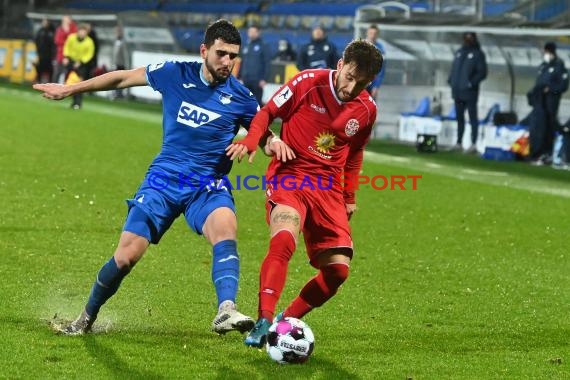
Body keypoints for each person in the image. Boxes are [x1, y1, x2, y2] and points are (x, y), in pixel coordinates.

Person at [33, 19, 283, 336]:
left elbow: (262, 134)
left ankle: (226, 309)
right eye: (221, 54)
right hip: (163, 181)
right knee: (125, 257)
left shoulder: (242, 97)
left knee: (226, 229)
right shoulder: (174, 73)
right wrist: (71, 88)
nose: (227, 62)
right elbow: (123, 77)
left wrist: (273, 143)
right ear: (204, 50)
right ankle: (85, 318)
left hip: (207, 185)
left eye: (233, 56)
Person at [226, 39, 383, 347]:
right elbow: (267, 112)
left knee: (337, 271)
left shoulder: (367, 110)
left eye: (361, 83)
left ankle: (285, 320)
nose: (352, 87)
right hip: (291, 177)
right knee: (284, 238)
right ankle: (264, 320)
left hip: (327, 190)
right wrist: (253, 139)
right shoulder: (307, 81)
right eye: (350, 76)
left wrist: (349, 196)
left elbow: (355, 154)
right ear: (340, 65)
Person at [527, 42, 569, 165]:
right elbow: (538, 84)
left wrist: (550, 89)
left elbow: (563, 86)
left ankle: (547, 154)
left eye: (546, 52)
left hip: (551, 104)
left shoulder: (559, 66)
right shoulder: (543, 66)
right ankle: (536, 153)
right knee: (537, 129)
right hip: (539, 104)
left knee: (548, 129)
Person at [447, 32, 487, 153]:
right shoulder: (459, 52)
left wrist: (471, 83)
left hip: (470, 92)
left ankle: (473, 143)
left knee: (472, 117)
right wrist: (451, 80)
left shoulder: (478, 54)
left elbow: (482, 72)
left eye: (470, 38)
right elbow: (454, 68)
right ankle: (459, 142)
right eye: (466, 38)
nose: (467, 40)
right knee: (459, 118)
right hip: (457, 91)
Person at [62, 23, 95, 109]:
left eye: (84, 32)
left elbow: (89, 54)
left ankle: (78, 103)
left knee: (79, 84)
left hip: (81, 65)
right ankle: (72, 101)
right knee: (69, 82)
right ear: (78, 31)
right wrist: (66, 57)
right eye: (81, 31)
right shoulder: (71, 37)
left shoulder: (89, 42)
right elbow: (66, 47)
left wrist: (81, 62)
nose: (82, 33)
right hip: (71, 62)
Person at [238, 25, 271, 105]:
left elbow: (267, 63)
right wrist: (239, 76)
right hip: (246, 79)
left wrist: (264, 79)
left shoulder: (264, 45)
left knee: (257, 103)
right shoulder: (246, 46)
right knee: (245, 102)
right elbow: (242, 62)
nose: (251, 34)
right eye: (249, 32)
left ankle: (258, 118)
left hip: (257, 80)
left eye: (253, 32)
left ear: (258, 33)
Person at [52, 15, 77, 83]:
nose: (65, 21)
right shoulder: (59, 29)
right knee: (57, 72)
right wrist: (67, 41)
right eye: (64, 20)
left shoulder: (74, 28)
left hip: (71, 54)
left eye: (67, 19)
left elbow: (74, 40)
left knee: (68, 73)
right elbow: (57, 41)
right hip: (60, 54)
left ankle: (67, 88)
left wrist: (66, 41)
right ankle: (54, 87)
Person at [364, 25, 386, 99]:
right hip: (360, 82)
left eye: (375, 33)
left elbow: (382, 69)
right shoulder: (360, 46)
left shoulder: (381, 49)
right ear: (367, 33)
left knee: (371, 106)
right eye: (371, 33)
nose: (372, 35)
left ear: (377, 35)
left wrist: (376, 86)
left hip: (372, 83)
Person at [33, 17, 55, 83]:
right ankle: (39, 81)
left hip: (50, 55)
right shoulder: (40, 31)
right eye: (43, 22)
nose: (44, 23)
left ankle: (50, 82)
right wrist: (38, 51)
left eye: (46, 22)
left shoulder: (52, 31)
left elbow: (53, 43)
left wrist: (53, 53)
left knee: (50, 70)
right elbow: (36, 40)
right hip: (41, 54)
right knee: (39, 68)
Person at [111, 25, 128, 99]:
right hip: (117, 63)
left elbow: (125, 54)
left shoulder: (124, 41)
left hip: (122, 63)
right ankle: (116, 93)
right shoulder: (116, 40)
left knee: (121, 79)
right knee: (115, 79)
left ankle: (119, 94)